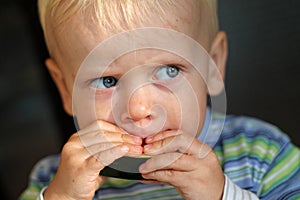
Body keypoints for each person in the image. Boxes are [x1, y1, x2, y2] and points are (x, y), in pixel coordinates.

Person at [20, 0, 300, 199]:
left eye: (169, 71)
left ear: (213, 65)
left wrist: (222, 195)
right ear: (65, 88)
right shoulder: (54, 179)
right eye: (108, 81)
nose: (139, 109)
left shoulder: (262, 154)